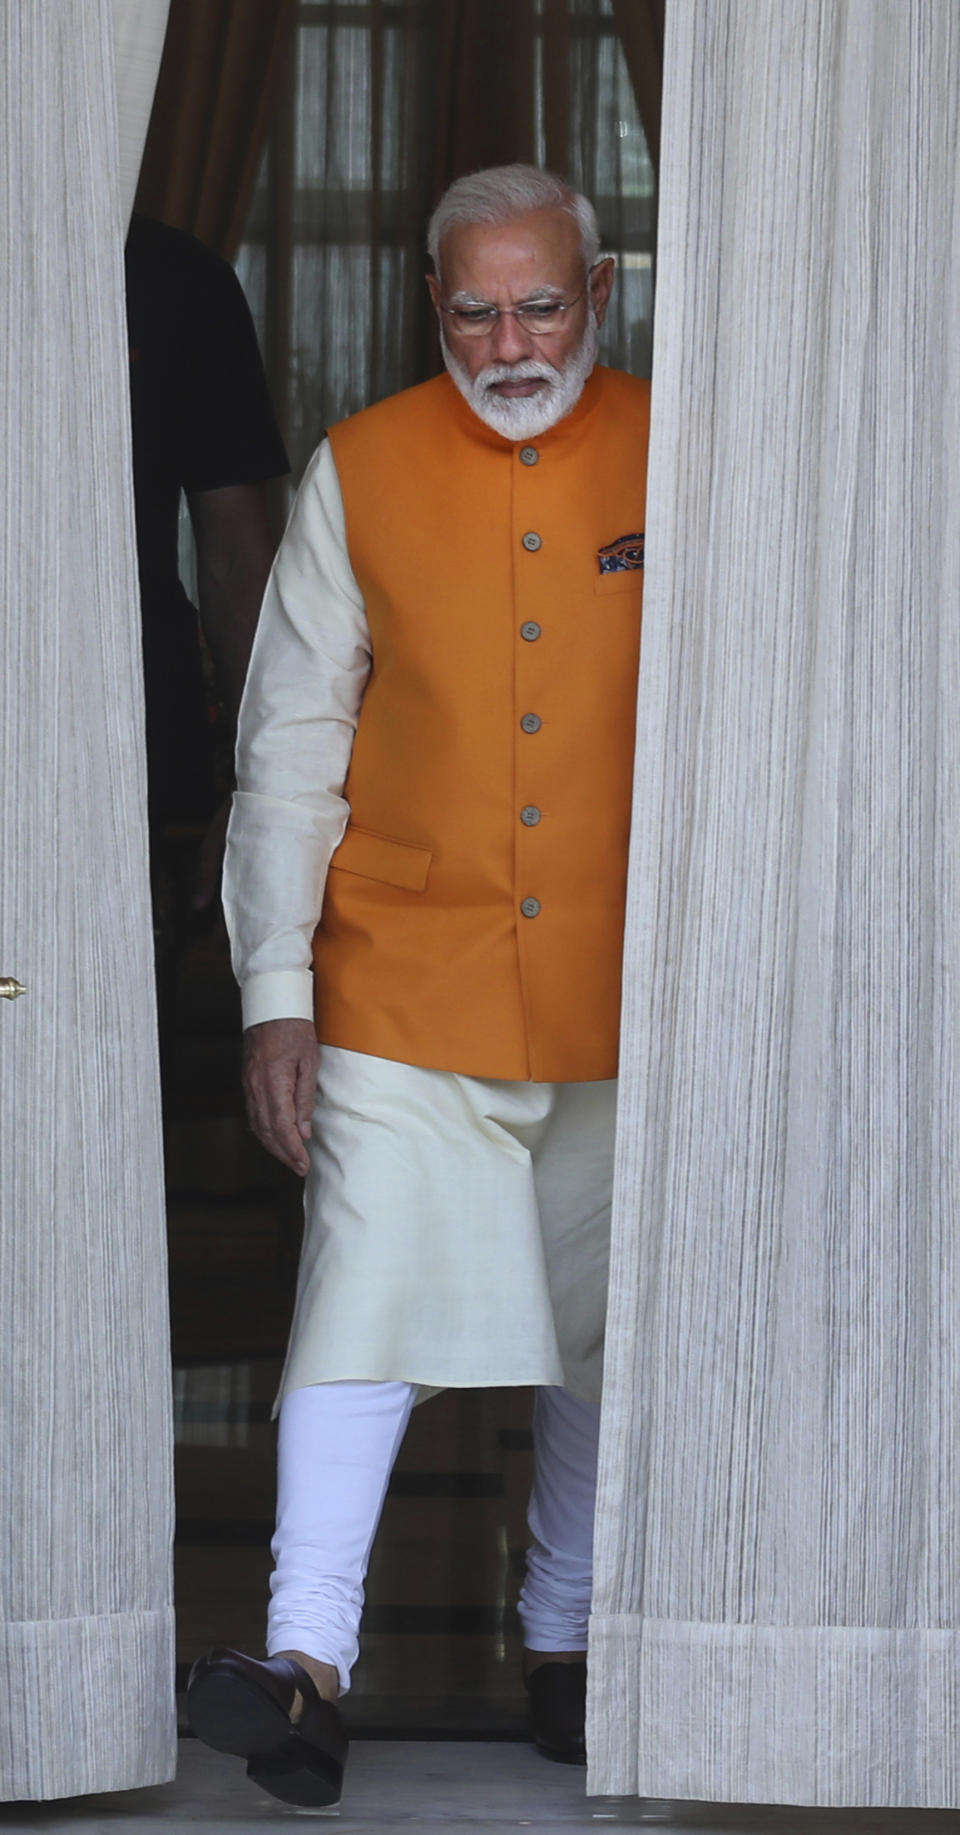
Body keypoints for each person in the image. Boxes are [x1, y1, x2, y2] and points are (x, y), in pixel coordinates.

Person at [186, 164, 650, 1810]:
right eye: (475, 307)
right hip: (402, 976)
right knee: (357, 1314)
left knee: (610, 1333)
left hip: (632, 988)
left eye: (541, 303)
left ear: (596, 297)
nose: (510, 339)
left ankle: (569, 1641)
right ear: (430, 307)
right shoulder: (359, 466)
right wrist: (275, 989)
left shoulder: (694, 452)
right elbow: (292, 745)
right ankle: (306, 1666)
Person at [124, 215, 289, 1035]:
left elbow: (234, 553)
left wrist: (259, 781)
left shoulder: (173, 277)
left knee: (103, 1058)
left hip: (126, 740)